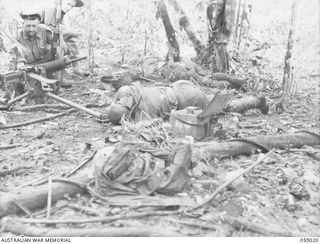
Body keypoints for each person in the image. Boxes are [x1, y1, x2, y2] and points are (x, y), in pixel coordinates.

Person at [108, 80, 208, 125]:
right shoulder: (127, 91)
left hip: (179, 92)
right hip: (181, 92)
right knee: (208, 106)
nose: (123, 103)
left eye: (119, 103)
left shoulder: (140, 119)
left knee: (208, 105)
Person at [40, 0, 86, 77]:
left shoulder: (61, 11)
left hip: (51, 33)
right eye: (68, 4)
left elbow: (60, 26)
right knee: (59, 44)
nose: (69, 8)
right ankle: (60, 72)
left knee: (70, 39)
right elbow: (50, 29)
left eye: (72, 6)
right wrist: (71, 33)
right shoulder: (51, 8)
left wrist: (69, 33)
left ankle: (76, 68)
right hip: (40, 33)